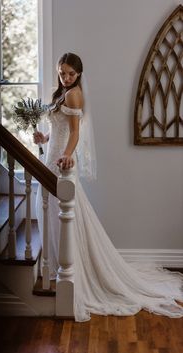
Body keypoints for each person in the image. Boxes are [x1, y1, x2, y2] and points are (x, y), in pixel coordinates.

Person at [34, 52, 183, 322]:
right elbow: (59, 129)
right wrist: (43, 137)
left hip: (61, 161)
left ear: (79, 73)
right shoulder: (61, 93)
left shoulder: (73, 94)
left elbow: (75, 132)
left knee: (64, 212)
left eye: (70, 73)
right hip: (51, 155)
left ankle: (71, 269)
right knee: (55, 211)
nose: (66, 77)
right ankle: (60, 267)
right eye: (62, 72)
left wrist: (67, 155)